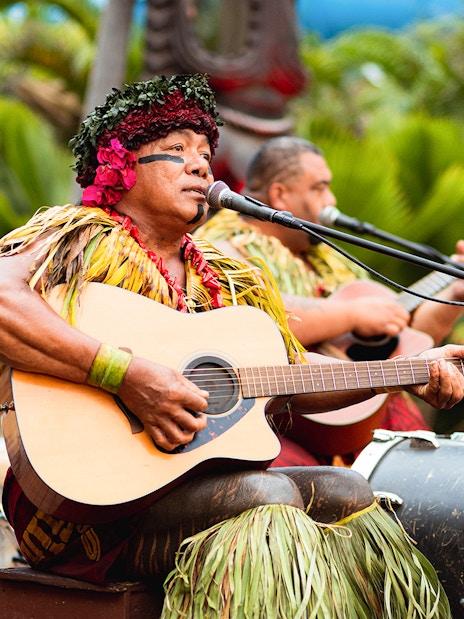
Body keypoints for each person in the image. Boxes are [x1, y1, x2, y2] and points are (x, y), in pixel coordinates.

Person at [0, 75, 461, 617]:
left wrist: (405, 370)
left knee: (348, 492)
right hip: (84, 510)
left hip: (193, 485)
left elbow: (290, 373)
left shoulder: (229, 278)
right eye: (175, 152)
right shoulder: (76, 237)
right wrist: (125, 375)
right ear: (120, 166)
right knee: (267, 498)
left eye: (204, 153)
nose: (200, 165)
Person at [197, 136, 464, 464]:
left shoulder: (332, 260)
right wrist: (351, 315)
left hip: (368, 421)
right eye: (319, 188)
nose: (331, 199)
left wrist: (454, 292)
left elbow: (410, 342)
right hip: (281, 429)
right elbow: (253, 318)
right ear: (280, 195)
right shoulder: (222, 246)